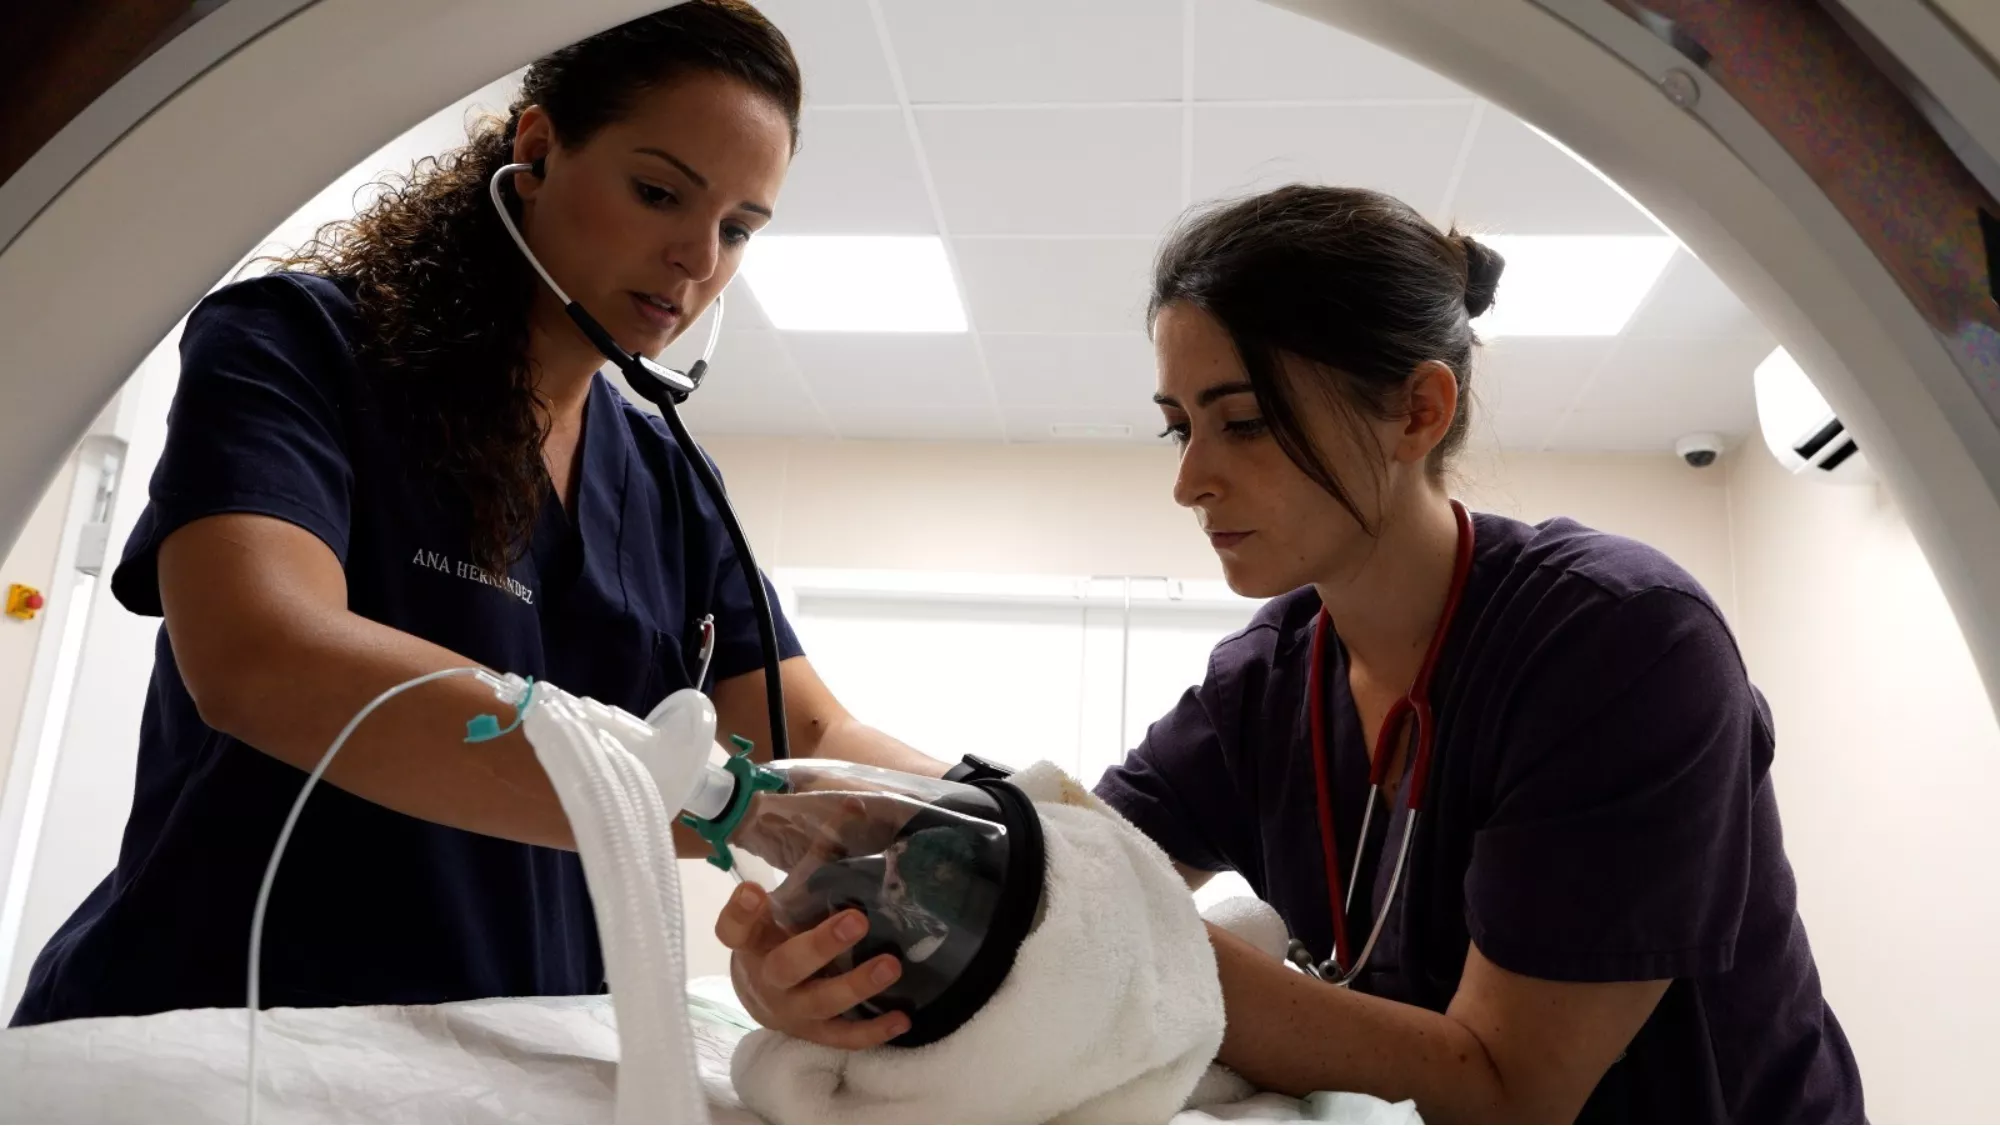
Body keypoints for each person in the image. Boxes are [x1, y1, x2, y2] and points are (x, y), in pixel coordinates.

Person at [716, 183, 1865, 1123]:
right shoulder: (1264, 682)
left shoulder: (1615, 644)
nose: (1188, 479)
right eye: (1179, 425)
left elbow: (1510, 1089)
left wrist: (1110, 947)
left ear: (1418, 411)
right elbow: (1078, 871)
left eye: (1243, 421)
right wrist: (824, 956)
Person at [12, 1, 938, 1043]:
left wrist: (1013, 821)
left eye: (735, 229)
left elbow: (807, 732)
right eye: (656, 192)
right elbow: (263, 656)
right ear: (536, 150)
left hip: (509, 1053)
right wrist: (706, 804)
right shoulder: (302, 346)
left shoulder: (671, 482)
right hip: (224, 1036)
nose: (696, 259)